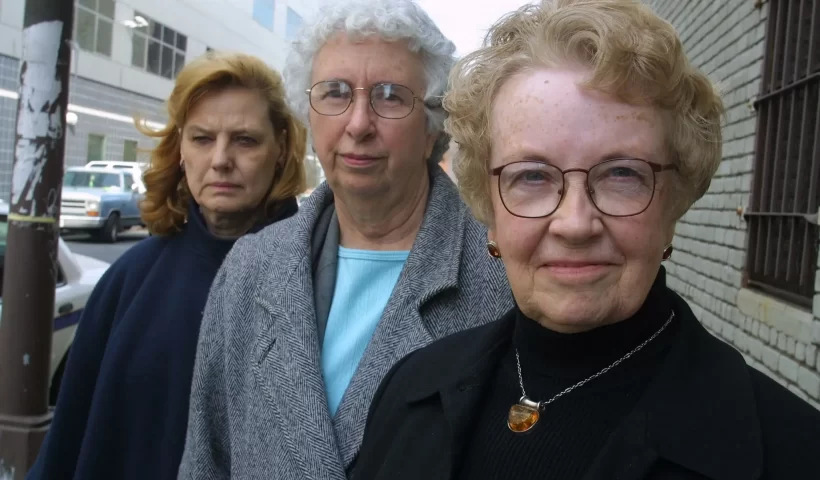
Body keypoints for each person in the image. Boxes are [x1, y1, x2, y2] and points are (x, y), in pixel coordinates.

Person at [351, 1, 820, 478]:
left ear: (674, 203)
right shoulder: (410, 390)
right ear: (488, 208)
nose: (575, 224)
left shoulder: (793, 451)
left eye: (622, 173)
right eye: (532, 177)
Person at [177, 1, 514, 478]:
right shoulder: (250, 267)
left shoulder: (503, 274)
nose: (358, 124)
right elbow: (205, 460)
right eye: (335, 93)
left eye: (391, 96)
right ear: (310, 121)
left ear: (432, 125)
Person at [26, 51, 305, 480]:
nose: (221, 159)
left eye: (245, 139)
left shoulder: (310, 277)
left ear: (281, 149)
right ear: (179, 150)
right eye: (202, 138)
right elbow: (69, 438)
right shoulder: (132, 277)